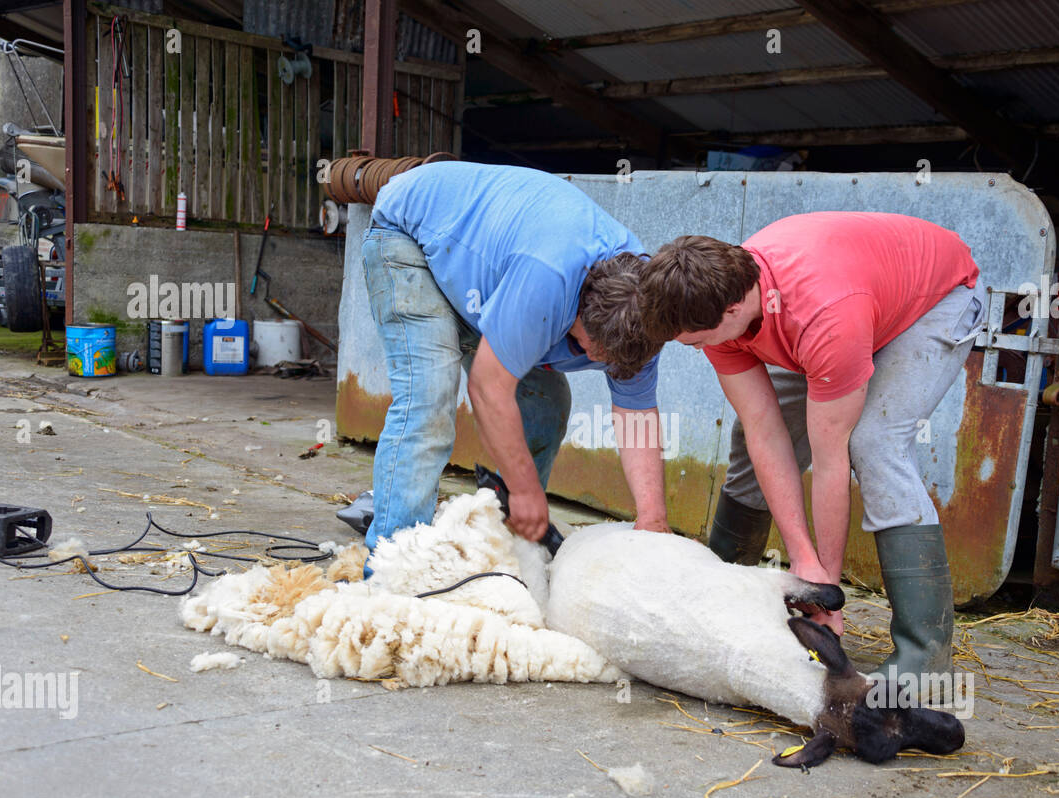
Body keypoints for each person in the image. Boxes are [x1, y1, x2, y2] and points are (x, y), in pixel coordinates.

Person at [640, 212, 986, 688]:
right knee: (750, 439)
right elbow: (766, 430)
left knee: (874, 443)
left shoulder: (823, 317)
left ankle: (925, 657)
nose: (695, 349)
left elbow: (830, 462)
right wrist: (801, 556)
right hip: (849, 299)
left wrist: (824, 590)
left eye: (696, 342)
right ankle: (723, 596)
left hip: (932, 302)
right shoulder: (712, 298)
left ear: (732, 312)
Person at [359, 161, 670, 569]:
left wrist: (653, 519)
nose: (593, 361)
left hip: (484, 271)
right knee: (428, 396)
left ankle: (502, 549)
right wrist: (526, 491)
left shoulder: (647, 313)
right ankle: (391, 565)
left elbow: (636, 414)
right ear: (575, 312)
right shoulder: (548, 280)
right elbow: (488, 389)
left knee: (547, 402)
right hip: (411, 236)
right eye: (590, 348)